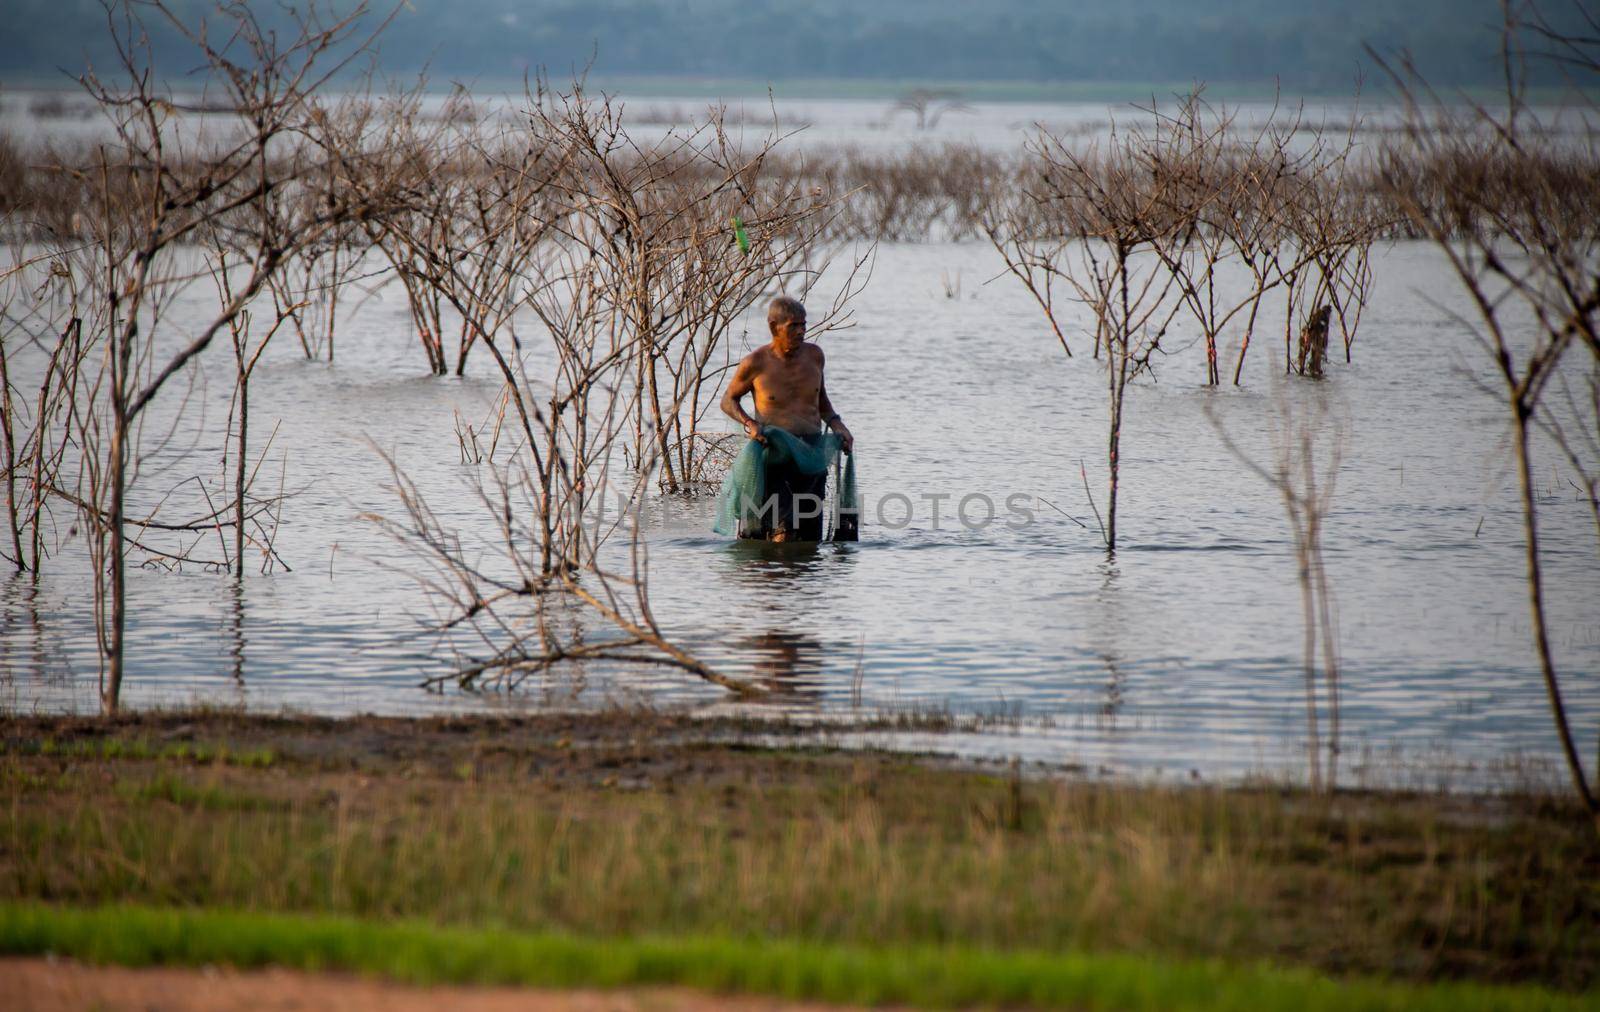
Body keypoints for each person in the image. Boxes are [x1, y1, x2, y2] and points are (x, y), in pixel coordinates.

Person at [718, 297, 853, 541]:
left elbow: (821, 401)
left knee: (810, 537)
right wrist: (750, 423)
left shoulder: (815, 356)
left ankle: (795, 577)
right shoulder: (755, 362)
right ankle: (776, 577)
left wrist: (837, 424)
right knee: (784, 532)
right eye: (793, 326)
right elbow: (728, 400)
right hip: (776, 455)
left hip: (812, 455)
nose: (801, 331)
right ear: (774, 327)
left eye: (803, 325)